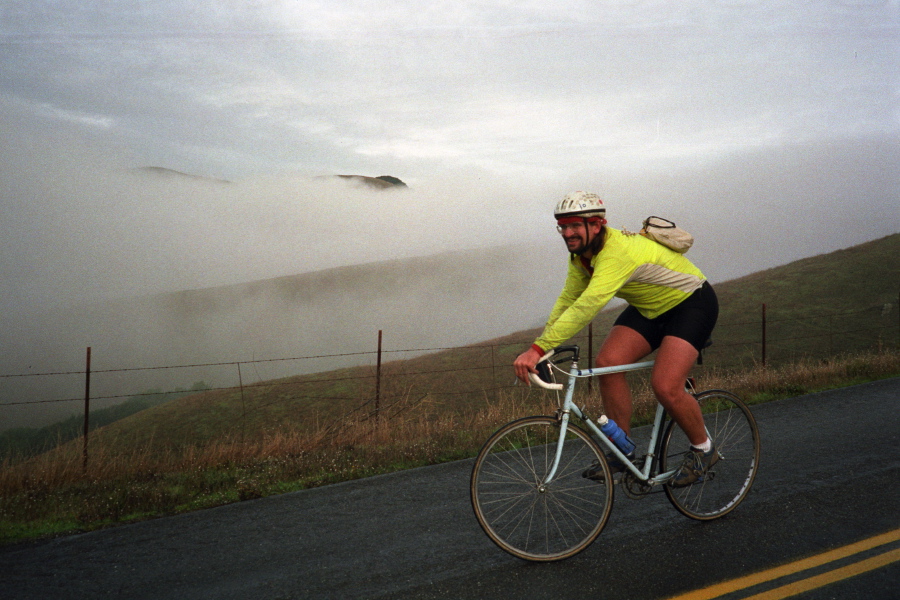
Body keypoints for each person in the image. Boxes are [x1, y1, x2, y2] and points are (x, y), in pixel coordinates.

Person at [513, 191, 720, 487]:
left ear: (597, 224)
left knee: (665, 385)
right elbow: (568, 300)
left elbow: (588, 305)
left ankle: (704, 449)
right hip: (649, 308)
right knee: (607, 363)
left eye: (574, 225)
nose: (567, 233)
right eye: (562, 227)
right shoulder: (581, 257)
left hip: (691, 304)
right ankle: (622, 450)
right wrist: (543, 345)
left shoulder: (616, 252)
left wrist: (537, 349)